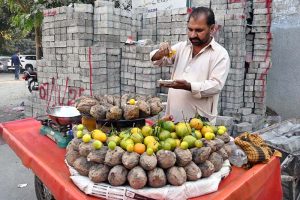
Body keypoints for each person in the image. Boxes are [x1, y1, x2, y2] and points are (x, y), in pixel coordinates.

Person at [150, 7, 230, 123]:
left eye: (198, 30)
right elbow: (158, 60)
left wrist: (188, 86)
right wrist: (160, 52)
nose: (192, 35)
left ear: (212, 28)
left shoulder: (220, 54)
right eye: (190, 29)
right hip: (172, 119)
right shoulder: (182, 47)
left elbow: (216, 85)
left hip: (199, 123)